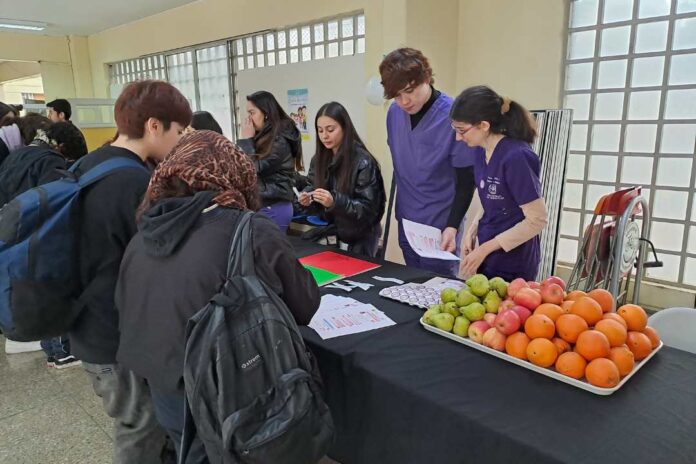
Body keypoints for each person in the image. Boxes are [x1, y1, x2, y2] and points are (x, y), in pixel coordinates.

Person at [115, 130, 320, 462]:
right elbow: (306, 304)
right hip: (228, 390)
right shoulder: (249, 229)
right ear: (234, 172)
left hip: (163, 385)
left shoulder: (145, 232)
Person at [68, 80, 192, 464]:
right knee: (139, 427)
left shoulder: (92, 162)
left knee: (143, 424)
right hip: (115, 336)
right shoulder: (136, 183)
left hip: (86, 323)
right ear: (154, 126)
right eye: (178, 131)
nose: (180, 140)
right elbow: (162, 260)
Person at [380, 48, 479, 276]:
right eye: (396, 95)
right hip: (408, 221)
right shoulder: (394, 114)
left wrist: (452, 226)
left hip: (440, 225)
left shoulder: (452, 116)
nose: (404, 101)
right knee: (412, 284)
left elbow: (466, 180)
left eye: (410, 91)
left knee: (440, 294)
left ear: (426, 78)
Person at [450, 85, 548, 282]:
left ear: (484, 125)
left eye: (462, 130)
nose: (457, 138)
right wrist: (473, 229)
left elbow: (537, 220)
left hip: (514, 260)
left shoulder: (516, 157)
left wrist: (485, 248)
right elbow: (492, 199)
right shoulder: (480, 150)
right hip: (488, 252)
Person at [299, 102, 386, 257]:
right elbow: (312, 185)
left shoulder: (363, 161)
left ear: (345, 127)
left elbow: (368, 210)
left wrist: (334, 201)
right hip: (336, 232)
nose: (325, 135)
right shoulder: (318, 159)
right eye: (320, 131)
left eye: (330, 130)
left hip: (362, 235)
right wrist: (308, 198)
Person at [237, 90, 303, 233]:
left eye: (252, 113)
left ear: (265, 113)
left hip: (274, 205)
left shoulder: (280, 140)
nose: (248, 119)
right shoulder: (263, 136)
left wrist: (247, 141)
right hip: (263, 203)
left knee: (268, 253)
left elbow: (252, 169)